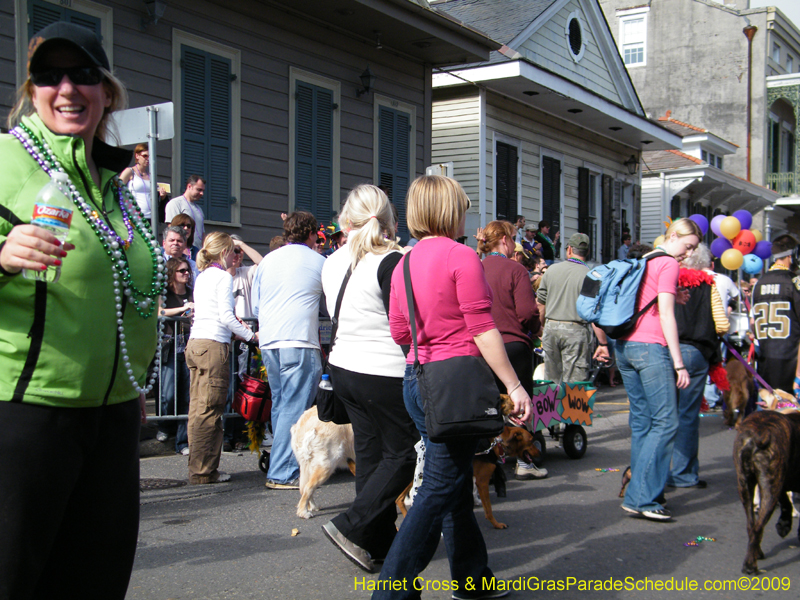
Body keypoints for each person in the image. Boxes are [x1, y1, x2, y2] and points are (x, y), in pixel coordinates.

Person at [0, 22, 160, 599]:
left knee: (96, 582)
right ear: (31, 90)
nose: (66, 88)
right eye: (49, 76)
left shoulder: (112, 184)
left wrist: (132, 379)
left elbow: (128, 293)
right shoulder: (4, 161)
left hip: (115, 418)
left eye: (83, 75)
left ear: (108, 91)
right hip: (28, 414)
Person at [375, 175, 533, 600]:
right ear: (449, 211)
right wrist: (514, 385)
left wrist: (429, 349)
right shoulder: (461, 257)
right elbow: (483, 327)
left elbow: (399, 330)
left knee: (453, 479)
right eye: (464, 207)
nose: (470, 217)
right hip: (454, 386)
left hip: (417, 378)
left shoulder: (402, 262)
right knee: (441, 486)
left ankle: (473, 577)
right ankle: (391, 592)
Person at [319, 184, 419, 572]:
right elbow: (405, 322)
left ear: (346, 221)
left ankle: (375, 543)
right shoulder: (391, 261)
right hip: (383, 371)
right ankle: (353, 524)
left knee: (374, 456)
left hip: (344, 368)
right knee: (406, 453)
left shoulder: (331, 261)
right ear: (391, 221)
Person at [616, 218, 701, 522]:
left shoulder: (644, 259)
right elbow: (666, 316)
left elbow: (645, 299)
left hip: (624, 346)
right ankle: (643, 497)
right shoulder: (667, 263)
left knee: (642, 423)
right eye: (687, 246)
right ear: (674, 235)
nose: (687, 254)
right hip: (650, 348)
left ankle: (640, 490)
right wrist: (679, 363)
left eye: (692, 250)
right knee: (666, 421)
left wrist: (672, 296)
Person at [252, 211, 325, 489]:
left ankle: (279, 463)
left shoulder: (268, 260)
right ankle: (282, 471)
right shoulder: (318, 261)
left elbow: (257, 307)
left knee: (282, 404)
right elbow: (332, 306)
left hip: (270, 340)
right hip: (298, 339)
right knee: (294, 406)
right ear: (312, 234)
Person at [185, 231, 256, 484]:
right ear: (224, 252)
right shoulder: (223, 277)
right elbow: (227, 317)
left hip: (196, 343)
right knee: (210, 411)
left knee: (197, 410)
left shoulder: (202, 276)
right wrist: (250, 336)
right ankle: (204, 472)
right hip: (213, 346)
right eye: (233, 251)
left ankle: (198, 467)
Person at [478, 220, 545, 480]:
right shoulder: (515, 270)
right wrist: (535, 328)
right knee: (519, 403)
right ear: (505, 240)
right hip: (513, 345)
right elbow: (528, 312)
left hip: (482, 345)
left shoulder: (476, 267)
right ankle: (525, 462)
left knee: (487, 407)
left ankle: (485, 464)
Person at [667, 244, 729, 490]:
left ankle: (661, 470)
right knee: (688, 417)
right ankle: (684, 474)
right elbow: (722, 324)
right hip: (696, 353)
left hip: (668, 352)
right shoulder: (708, 284)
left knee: (665, 415)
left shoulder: (667, 281)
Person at [537, 233, 610, 385]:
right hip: (576, 330)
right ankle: (573, 409)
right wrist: (603, 343)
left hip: (552, 327)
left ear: (569, 249)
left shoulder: (551, 270)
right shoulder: (592, 276)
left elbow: (540, 303)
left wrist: (540, 328)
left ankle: (552, 408)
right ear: (587, 252)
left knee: (551, 380)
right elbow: (594, 312)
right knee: (575, 383)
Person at [223, 234, 263, 451]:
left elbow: (261, 263)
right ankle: (228, 434)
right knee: (229, 387)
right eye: (232, 250)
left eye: (237, 252)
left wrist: (241, 244)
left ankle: (242, 434)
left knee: (245, 386)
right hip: (227, 338)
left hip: (246, 338)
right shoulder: (217, 276)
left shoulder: (245, 273)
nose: (236, 255)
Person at [752, 234, 800, 394]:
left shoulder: (759, 283)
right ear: (792, 256)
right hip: (790, 360)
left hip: (765, 358)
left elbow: (753, 324)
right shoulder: (794, 281)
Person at [158, 257, 194, 455]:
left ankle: (182, 441)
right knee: (169, 393)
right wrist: (182, 310)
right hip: (170, 347)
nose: (186, 274)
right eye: (181, 271)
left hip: (188, 345)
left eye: (187, 271)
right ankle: (164, 425)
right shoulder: (165, 293)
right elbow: (159, 311)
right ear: (173, 273)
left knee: (187, 397)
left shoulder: (191, 293)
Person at [119, 142, 166, 220]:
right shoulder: (130, 171)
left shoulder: (151, 176)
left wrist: (162, 197)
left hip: (151, 217)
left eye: (149, 156)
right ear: (137, 156)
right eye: (145, 156)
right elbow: (118, 189)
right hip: (135, 216)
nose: (147, 159)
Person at [165, 175, 205, 251]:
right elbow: (172, 228)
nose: (201, 193)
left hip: (196, 252)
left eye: (203, 191)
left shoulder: (199, 209)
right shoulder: (175, 203)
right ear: (189, 186)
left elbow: (202, 233)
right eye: (199, 190)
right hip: (182, 251)